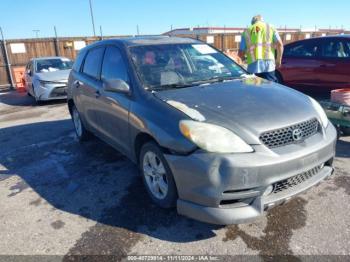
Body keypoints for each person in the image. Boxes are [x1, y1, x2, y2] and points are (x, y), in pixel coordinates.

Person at [238, 15, 284, 82]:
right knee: (270, 89)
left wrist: (244, 60)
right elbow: (280, 45)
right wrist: (278, 60)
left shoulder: (247, 31)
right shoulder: (270, 27)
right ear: (262, 20)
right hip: (268, 65)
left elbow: (240, 53)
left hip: (253, 67)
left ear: (252, 23)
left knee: (255, 90)